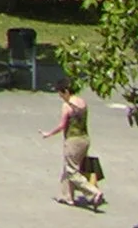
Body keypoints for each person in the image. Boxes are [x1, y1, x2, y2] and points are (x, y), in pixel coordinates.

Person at [41, 79, 103, 208]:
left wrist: (49, 134)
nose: (61, 97)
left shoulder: (67, 105)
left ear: (66, 91)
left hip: (73, 141)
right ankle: (67, 197)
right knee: (69, 167)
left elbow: (62, 125)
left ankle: (94, 192)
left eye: (61, 94)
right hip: (85, 139)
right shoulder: (82, 102)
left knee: (72, 171)